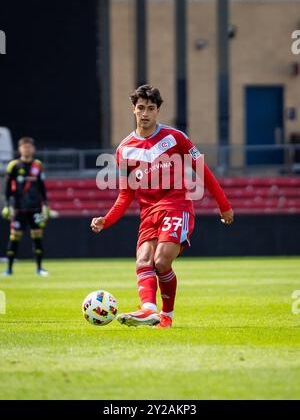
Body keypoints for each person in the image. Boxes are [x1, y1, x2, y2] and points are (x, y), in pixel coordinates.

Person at [91, 85, 234, 328]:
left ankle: (167, 314)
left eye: (150, 108)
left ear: (158, 111)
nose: (145, 113)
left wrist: (224, 205)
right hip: (149, 213)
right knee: (143, 260)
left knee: (161, 260)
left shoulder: (175, 138)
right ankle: (148, 309)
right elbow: (126, 193)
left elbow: (203, 171)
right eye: (140, 108)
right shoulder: (124, 150)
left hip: (177, 206)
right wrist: (107, 218)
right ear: (133, 110)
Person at [1, 137, 50, 276]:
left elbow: (42, 187)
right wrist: (7, 205)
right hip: (18, 208)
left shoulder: (37, 165)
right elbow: (7, 188)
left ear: (33, 149)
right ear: (20, 149)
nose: (27, 149)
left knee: (37, 236)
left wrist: (45, 205)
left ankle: (40, 268)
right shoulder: (14, 166)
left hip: (36, 208)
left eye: (29, 147)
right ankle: (9, 269)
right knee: (15, 236)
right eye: (24, 147)